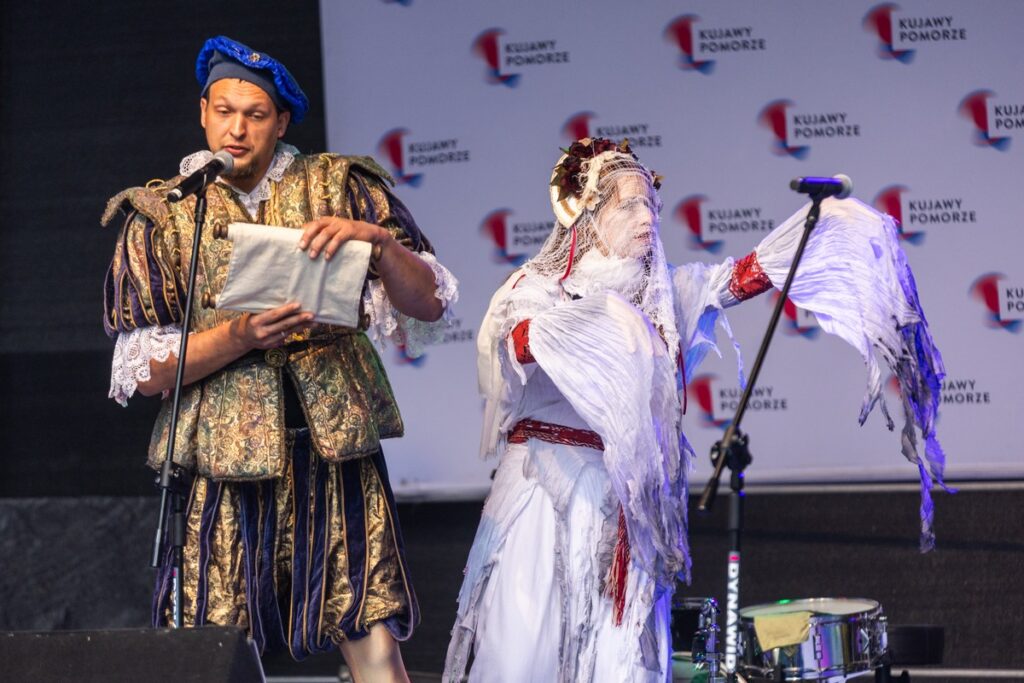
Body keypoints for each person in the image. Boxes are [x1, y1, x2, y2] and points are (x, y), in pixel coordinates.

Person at [443, 138, 947, 682]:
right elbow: (515, 345)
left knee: (622, 662)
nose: (647, 218)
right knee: (525, 649)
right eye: (628, 205)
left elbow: (742, 277)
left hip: (624, 505)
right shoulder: (540, 288)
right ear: (587, 214)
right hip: (545, 492)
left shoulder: (666, 295)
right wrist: (592, 323)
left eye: (651, 205)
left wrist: (819, 230)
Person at [102, 36, 458, 683]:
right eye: (224, 111)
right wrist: (240, 335)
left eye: (256, 114)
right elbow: (145, 371)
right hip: (221, 464)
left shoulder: (339, 187)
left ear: (282, 121)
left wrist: (378, 245)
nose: (237, 130)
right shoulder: (163, 216)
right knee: (213, 647)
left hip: (334, 454)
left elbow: (430, 303)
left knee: (373, 634)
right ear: (203, 112)